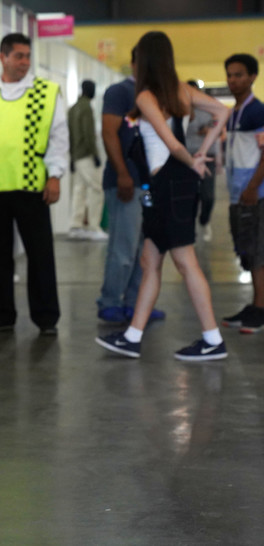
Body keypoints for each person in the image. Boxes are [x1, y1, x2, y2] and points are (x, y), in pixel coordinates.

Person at [96, 31, 230, 361]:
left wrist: (195, 160)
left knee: (185, 262)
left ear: (143, 59)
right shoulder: (181, 91)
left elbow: (172, 143)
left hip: (171, 182)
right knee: (150, 260)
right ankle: (132, 336)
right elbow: (222, 113)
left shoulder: (146, 97)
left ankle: (212, 339)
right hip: (168, 185)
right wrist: (203, 152)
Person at [0, 33, 68, 335]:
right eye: (18, 56)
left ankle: (46, 318)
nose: (24, 62)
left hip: (33, 186)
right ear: (3, 57)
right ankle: (0, 315)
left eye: (27, 56)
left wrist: (55, 175)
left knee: (40, 255)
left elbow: (58, 137)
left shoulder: (46, 92)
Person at [97, 47, 166, 325]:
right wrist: (122, 173)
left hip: (152, 182)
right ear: (133, 63)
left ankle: (137, 303)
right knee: (123, 248)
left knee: (145, 250)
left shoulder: (159, 96)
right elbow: (109, 132)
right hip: (126, 182)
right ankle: (110, 301)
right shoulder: (119, 92)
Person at [220, 53, 264, 333]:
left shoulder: (257, 111)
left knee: (259, 252)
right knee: (246, 250)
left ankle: (260, 309)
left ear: (252, 77)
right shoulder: (233, 112)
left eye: (238, 75)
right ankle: (254, 304)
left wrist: (252, 188)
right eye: (230, 75)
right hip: (238, 193)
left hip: (255, 194)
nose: (233, 80)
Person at [67, 79, 107, 241]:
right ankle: (94, 226)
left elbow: (69, 134)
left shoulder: (72, 109)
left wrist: (71, 157)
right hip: (86, 155)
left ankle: (76, 225)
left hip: (76, 155)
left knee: (79, 189)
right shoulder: (86, 108)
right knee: (97, 188)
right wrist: (96, 155)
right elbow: (88, 134)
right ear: (87, 90)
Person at [185, 79, 219, 243]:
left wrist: (210, 128)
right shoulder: (180, 110)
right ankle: (189, 229)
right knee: (190, 196)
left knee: (208, 196)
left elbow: (219, 123)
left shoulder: (208, 109)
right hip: (186, 157)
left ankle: (204, 221)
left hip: (207, 156)